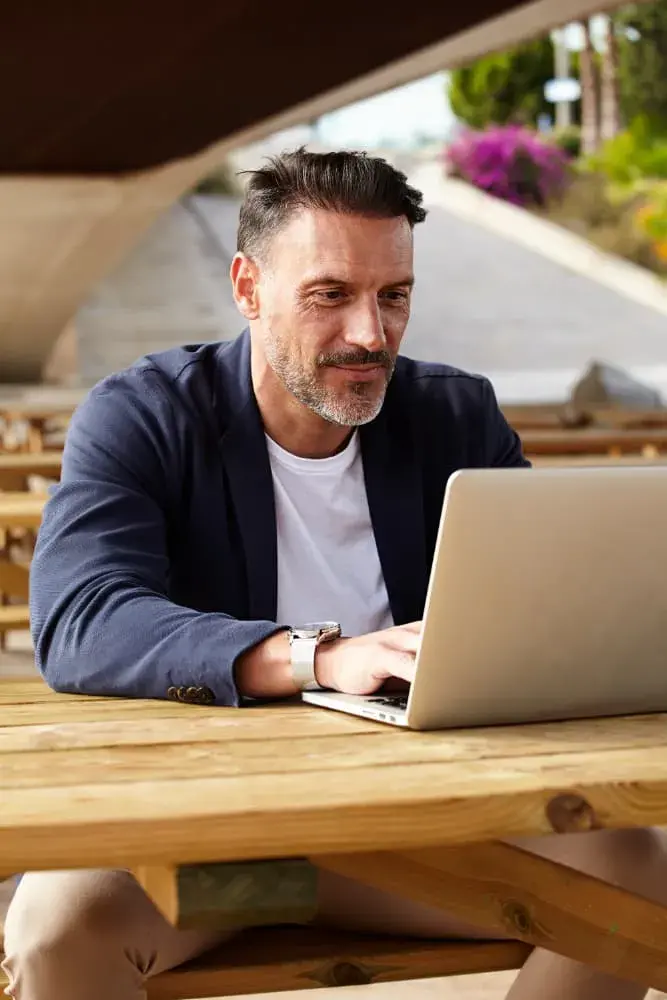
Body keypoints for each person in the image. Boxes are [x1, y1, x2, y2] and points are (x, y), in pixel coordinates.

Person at [4, 148, 666, 1000]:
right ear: (247, 289)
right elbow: (81, 618)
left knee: (635, 876)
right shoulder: (143, 414)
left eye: (393, 296)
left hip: (416, 826)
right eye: (330, 295)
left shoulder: (454, 415)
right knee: (58, 932)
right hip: (203, 835)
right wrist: (315, 656)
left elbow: (538, 617)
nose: (369, 333)